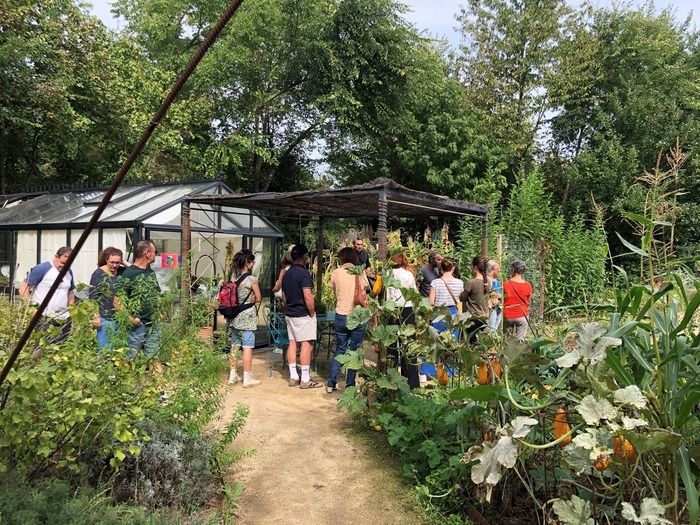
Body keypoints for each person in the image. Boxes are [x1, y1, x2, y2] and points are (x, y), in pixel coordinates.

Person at [327, 247, 369, 394]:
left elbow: (334, 291)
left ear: (342, 258)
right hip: (356, 315)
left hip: (340, 314)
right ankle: (350, 384)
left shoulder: (336, 273)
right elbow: (365, 292)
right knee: (354, 351)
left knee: (340, 349)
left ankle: (331, 383)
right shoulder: (359, 272)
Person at [282, 244, 322, 389]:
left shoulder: (286, 273)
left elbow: (284, 296)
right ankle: (305, 379)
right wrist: (312, 312)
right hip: (302, 314)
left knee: (292, 343)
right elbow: (307, 295)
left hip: (290, 313)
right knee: (307, 344)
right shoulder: (304, 273)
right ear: (304, 257)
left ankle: (293, 376)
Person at [116, 240, 162, 361]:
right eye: (155, 252)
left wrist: (160, 311)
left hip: (153, 324)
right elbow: (117, 301)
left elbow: (156, 294)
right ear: (147, 253)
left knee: (153, 358)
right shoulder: (129, 274)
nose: (155, 255)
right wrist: (130, 319)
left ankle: (159, 380)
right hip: (137, 325)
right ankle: (125, 379)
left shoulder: (150, 273)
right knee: (129, 359)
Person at [19, 246, 76, 343]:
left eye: (67, 265)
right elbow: (23, 288)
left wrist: (72, 313)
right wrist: (31, 310)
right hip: (44, 317)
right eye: (62, 263)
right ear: (56, 257)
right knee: (41, 349)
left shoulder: (69, 272)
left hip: (63, 318)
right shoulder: (42, 269)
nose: (64, 267)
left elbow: (70, 293)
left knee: (61, 350)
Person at [227, 249, 262, 388]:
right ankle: (247, 377)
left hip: (235, 316)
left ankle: (232, 375)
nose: (253, 263)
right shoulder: (251, 279)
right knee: (247, 347)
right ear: (247, 262)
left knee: (235, 345)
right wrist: (254, 298)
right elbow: (259, 298)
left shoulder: (233, 277)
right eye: (252, 261)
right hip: (247, 317)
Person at [386, 251, 420, 389]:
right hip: (406, 309)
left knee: (392, 348)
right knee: (409, 347)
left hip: (391, 310)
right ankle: (412, 383)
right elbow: (415, 293)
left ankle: (392, 382)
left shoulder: (386, 274)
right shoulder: (408, 275)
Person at [89, 247, 124, 350]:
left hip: (119, 317)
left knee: (119, 350)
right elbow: (93, 297)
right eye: (112, 262)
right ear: (106, 260)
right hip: (105, 317)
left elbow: (136, 271)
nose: (114, 265)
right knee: (105, 349)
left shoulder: (122, 271)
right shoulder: (98, 274)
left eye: (118, 262)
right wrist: (96, 317)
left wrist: (124, 262)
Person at [429, 258, 464, 337]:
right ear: (453, 268)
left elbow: (431, 302)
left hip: (439, 313)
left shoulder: (435, 282)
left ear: (441, 268)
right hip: (454, 313)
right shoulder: (459, 283)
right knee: (453, 341)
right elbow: (461, 300)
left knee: (439, 341)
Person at [460, 255, 491, 343]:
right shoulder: (488, 282)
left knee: (471, 342)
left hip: (472, 317)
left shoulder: (471, 282)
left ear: (475, 267)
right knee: (481, 342)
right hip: (484, 316)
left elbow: (462, 298)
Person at [502, 260, 533, 340]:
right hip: (522, 315)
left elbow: (502, 299)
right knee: (520, 340)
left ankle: (506, 352)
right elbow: (528, 301)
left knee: (507, 340)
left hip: (508, 315)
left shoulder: (506, 284)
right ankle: (519, 352)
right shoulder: (528, 285)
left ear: (513, 270)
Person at [487, 260, 502, 331]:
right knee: (491, 328)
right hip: (491, 308)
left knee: (494, 329)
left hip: (499, 307)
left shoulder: (498, 281)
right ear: (491, 269)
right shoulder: (487, 280)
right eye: (497, 269)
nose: (499, 270)